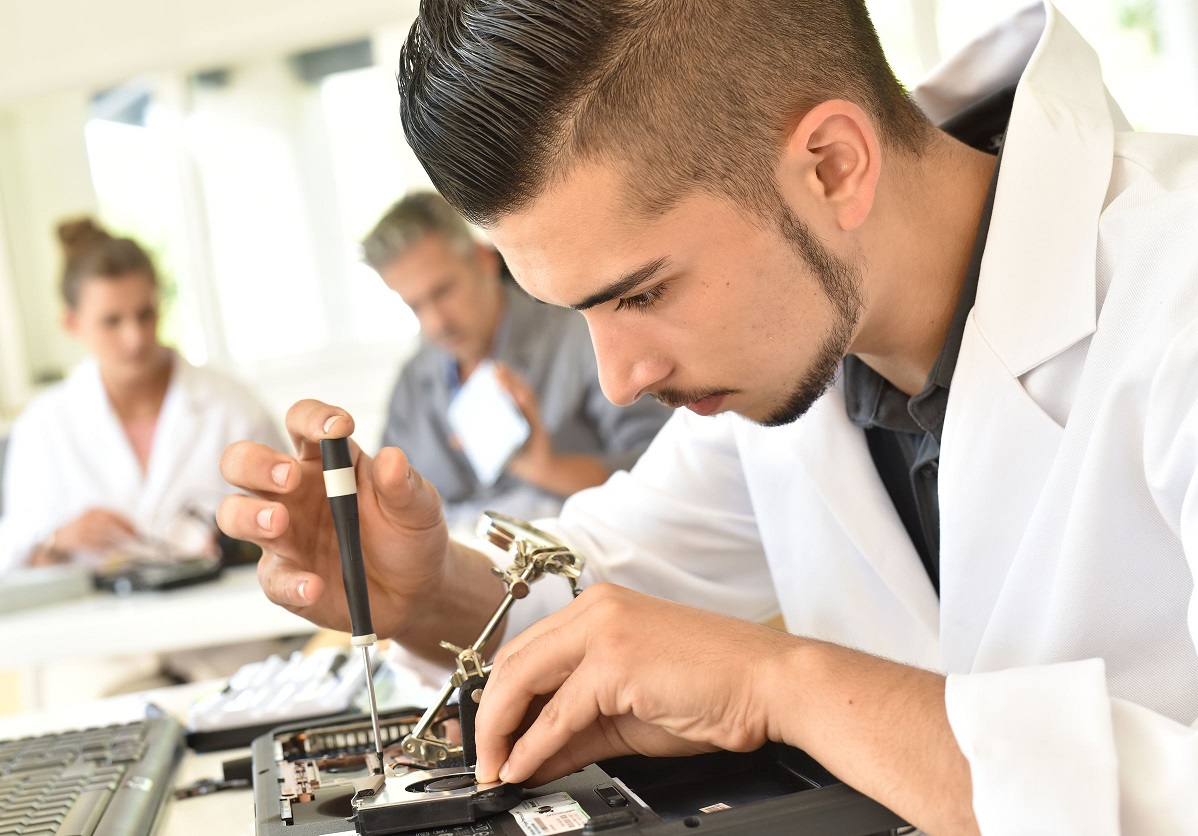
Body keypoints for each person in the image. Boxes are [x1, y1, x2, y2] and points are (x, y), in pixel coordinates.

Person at [219, 1, 1198, 833]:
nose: (615, 379)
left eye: (641, 294)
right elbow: (606, 598)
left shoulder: (1176, 289)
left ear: (832, 167)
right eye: (580, 309)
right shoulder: (795, 352)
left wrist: (782, 683)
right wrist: (423, 588)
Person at [363, 191, 672, 530]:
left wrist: (547, 468)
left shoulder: (582, 338)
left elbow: (666, 475)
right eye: (416, 306)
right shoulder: (412, 383)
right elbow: (386, 505)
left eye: (443, 291)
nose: (437, 322)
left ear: (484, 260)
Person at [0, 218, 285, 573]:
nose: (134, 338)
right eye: (112, 321)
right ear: (72, 323)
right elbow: (10, 565)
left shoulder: (232, 406)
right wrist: (58, 539)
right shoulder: (42, 426)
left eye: (145, 315)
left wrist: (238, 544)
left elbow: (293, 524)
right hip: (98, 626)